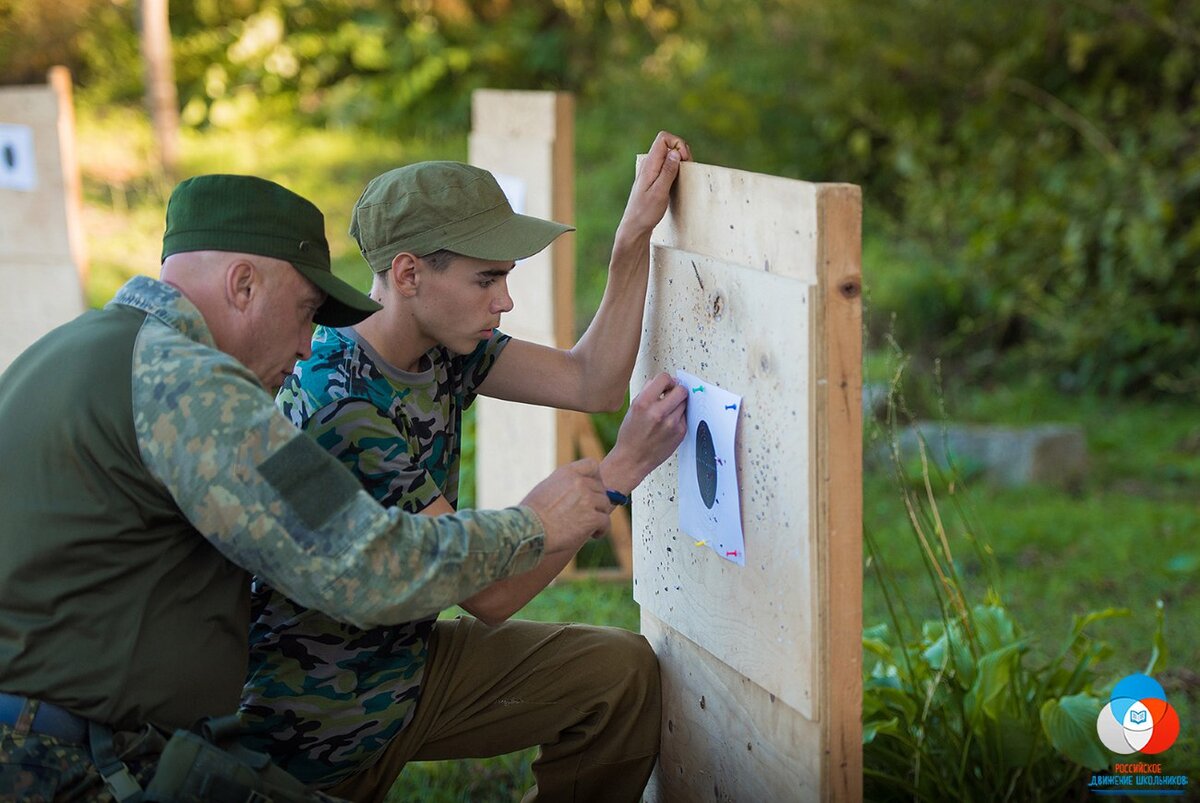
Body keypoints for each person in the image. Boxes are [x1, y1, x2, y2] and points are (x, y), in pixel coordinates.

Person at [0, 173, 619, 801]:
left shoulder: (67, 351)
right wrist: (534, 525)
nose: (307, 346)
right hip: (73, 767)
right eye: (304, 314)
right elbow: (363, 559)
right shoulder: (194, 387)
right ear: (243, 286)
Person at [239, 132, 693, 802]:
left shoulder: (444, 341)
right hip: (323, 723)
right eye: (488, 278)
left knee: (618, 674)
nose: (503, 300)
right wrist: (618, 470)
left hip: (407, 662)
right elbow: (490, 597)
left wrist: (631, 242)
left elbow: (590, 381)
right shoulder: (341, 400)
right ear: (409, 273)